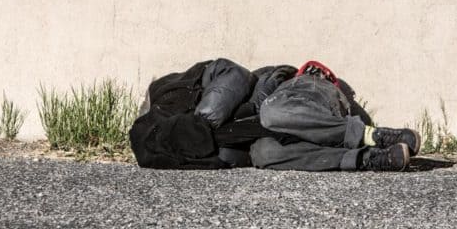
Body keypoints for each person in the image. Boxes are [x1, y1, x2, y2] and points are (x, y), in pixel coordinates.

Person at [129, 59, 420, 172]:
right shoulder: (210, 141)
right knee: (264, 154)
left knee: (271, 112)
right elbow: (230, 157)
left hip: (304, 91)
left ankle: (373, 135)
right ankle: (367, 159)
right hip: (277, 130)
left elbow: (235, 84)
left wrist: (203, 127)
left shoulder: (212, 82)